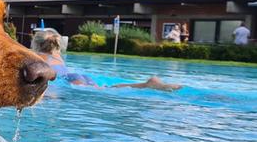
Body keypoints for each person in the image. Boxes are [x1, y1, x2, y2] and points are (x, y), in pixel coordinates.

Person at [34, 30, 181, 92]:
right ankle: (146, 84)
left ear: (37, 44)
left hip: (70, 81)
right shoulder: (57, 56)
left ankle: (147, 84)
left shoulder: (37, 56)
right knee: (105, 88)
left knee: (104, 90)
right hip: (77, 77)